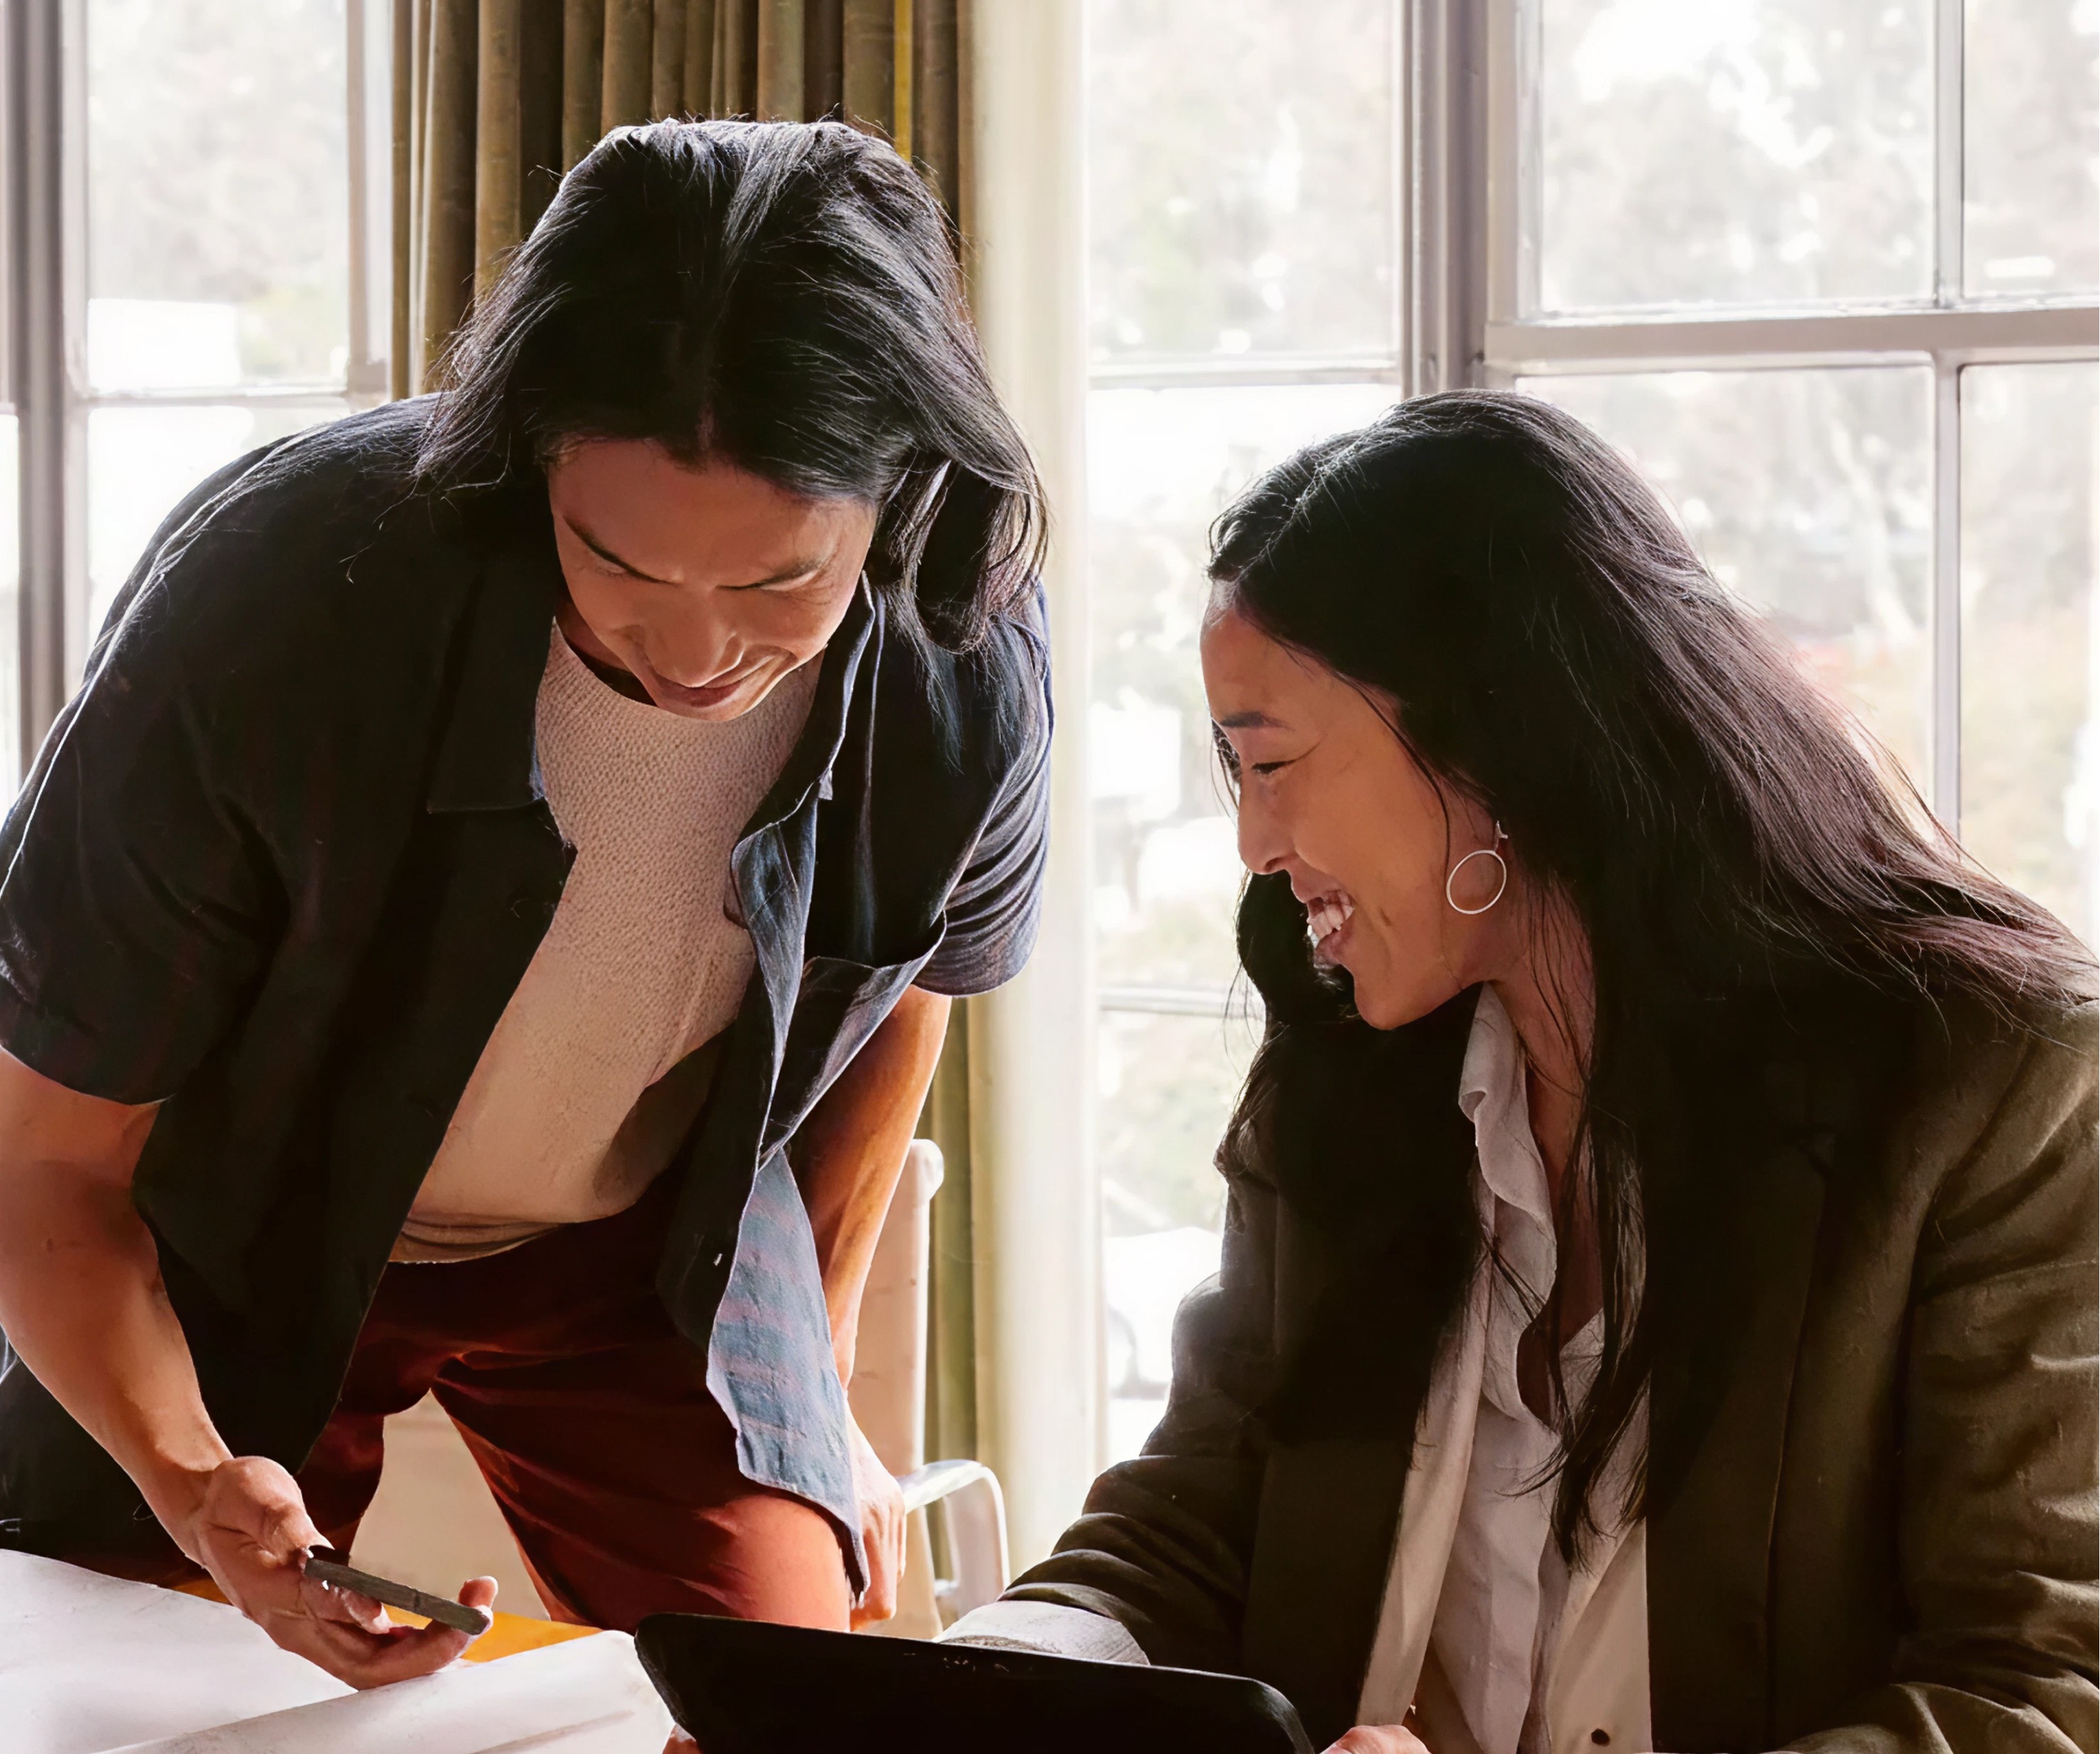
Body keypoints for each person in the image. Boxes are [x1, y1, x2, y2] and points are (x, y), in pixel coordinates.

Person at [0, 118, 1051, 1688]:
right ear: (524, 458)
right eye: (616, 562)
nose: (694, 657)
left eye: (778, 584)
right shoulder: (278, 605)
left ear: (897, 499)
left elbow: (907, 988)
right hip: (243, 1224)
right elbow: (47, 1166)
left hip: (650, 1253)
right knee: (121, 1683)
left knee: (785, 1695)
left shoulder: (961, 647)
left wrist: (814, 1383)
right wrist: (192, 1481)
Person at [947, 392, 2096, 1754]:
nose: (1253, 839)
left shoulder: (1993, 1083)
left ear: (1491, 745)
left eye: (1270, 760)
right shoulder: (1346, 1073)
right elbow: (1194, 1522)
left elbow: (2035, 1689)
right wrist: (959, 1699)